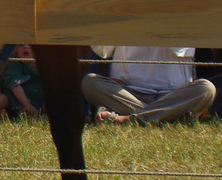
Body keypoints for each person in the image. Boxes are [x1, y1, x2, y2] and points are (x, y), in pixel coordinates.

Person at [83, 46, 216, 124]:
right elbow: (102, 50)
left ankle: (128, 120)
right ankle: (169, 116)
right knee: (89, 82)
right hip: (128, 93)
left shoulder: (181, 7)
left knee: (206, 88)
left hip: (172, 95)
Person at [0, 46, 45, 117]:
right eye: (20, 45)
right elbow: (14, 83)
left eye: (30, 44)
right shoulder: (15, 65)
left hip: (43, 104)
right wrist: (28, 105)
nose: (25, 47)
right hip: (22, 105)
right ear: (16, 51)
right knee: (2, 98)